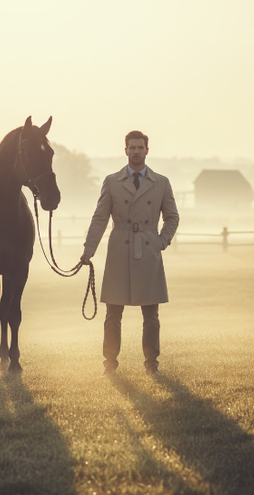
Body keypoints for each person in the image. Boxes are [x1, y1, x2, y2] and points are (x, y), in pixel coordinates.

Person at [80, 130, 179, 377]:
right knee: (113, 313)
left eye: (140, 147)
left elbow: (172, 217)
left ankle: (151, 364)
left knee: (151, 315)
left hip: (148, 250)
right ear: (125, 151)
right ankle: (110, 364)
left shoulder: (162, 182)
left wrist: (160, 242)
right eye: (132, 148)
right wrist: (88, 250)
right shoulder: (112, 181)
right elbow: (100, 217)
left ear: (147, 150)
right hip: (119, 250)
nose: (136, 152)